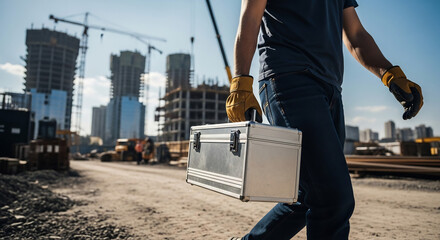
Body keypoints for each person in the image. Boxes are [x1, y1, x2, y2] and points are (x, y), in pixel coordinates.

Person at [226, 0, 423, 239]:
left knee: (310, 195)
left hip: (330, 89)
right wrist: (240, 82)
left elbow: (355, 34)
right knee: (331, 197)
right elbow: (250, 16)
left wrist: (390, 74)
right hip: (288, 80)